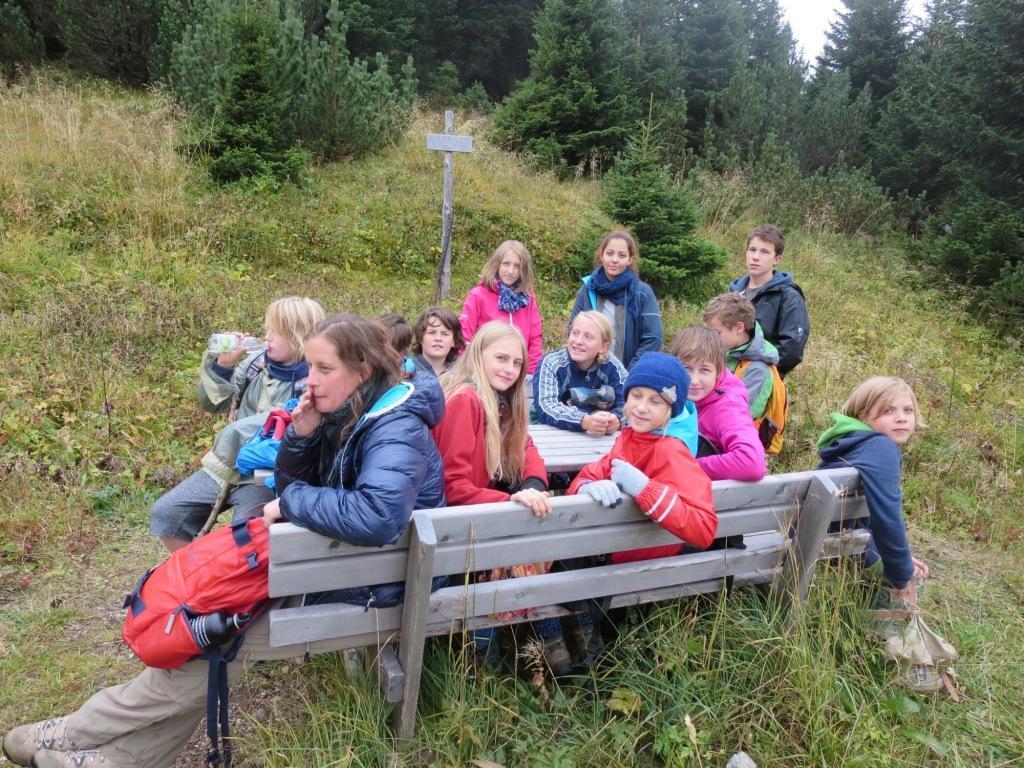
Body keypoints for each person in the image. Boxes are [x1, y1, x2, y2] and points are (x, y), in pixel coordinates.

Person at [3, 314, 446, 768]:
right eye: (310, 366)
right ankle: (114, 760)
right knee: (208, 633)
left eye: (323, 368)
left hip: (372, 590)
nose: (310, 379)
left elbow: (377, 514)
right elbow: (295, 485)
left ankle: (77, 732)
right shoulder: (351, 410)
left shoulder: (395, 425)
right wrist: (304, 435)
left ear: (362, 370)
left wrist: (293, 502)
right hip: (339, 570)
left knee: (211, 639)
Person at [150, 296, 325, 552]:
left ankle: (234, 576)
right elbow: (213, 405)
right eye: (267, 329)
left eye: (275, 332)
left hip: (267, 475)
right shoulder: (255, 365)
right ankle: (197, 572)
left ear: (298, 336)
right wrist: (223, 366)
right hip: (228, 465)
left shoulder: (314, 382)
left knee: (245, 541)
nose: (266, 337)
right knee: (166, 514)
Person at [431, 322, 558, 669]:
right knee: (536, 531)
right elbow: (452, 488)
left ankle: (530, 646)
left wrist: (534, 483)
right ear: (478, 354)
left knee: (539, 517)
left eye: (517, 363)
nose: (510, 369)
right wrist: (508, 502)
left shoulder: (497, 399)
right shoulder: (465, 400)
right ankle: (486, 657)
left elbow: (526, 445)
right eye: (501, 358)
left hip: (472, 523)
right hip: (451, 531)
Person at [569, 352, 717, 563]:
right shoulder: (631, 437)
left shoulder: (672, 451)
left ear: (671, 410)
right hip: (614, 554)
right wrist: (586, 487)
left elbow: (704, 529)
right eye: (636, 395)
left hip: (640, 566)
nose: (641, 407)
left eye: (655, 401)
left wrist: (643, 488)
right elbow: (587, 476)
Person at [816, 376, 929, 608]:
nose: (901, 417)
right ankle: (877, 622)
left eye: (908, 410)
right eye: (888, 411)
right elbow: (887, 516)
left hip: (818, 537)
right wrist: (901, 573)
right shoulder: (880, 448)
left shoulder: (853, 442)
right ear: (864, 416)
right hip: (834, 547)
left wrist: (903, 559)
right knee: (914, 578)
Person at [669, 326, 767, 483]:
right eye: (687, 368)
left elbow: (752, 463)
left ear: (719, 371)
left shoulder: (728, 406)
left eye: (704, 370)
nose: (694, 380)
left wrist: (686, 467)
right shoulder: (673, 386)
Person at [568, 230, 662, 370]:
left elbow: (653, 339)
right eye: (610, 253)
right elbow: (573, 329)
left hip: (628, 373)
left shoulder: (642, 293)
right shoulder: (588, 290)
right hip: (590, 372)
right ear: (602, 255)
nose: (614, 260)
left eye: (622, 255)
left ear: (629, 259)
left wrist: (628, 374)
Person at [728, 224, 809, 378]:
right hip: (724, 376)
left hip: (760, 380)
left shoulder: (788, 297)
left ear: (777, 259)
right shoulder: (735, 292)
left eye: (764, 252)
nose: (756, 257)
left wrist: (755, 368)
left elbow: (791, 350)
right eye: (752, 250)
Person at [533, 310, 628, 435]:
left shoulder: (612, 366)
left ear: (603, 347)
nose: (578, 341)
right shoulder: (551, 363)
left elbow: (630, 402)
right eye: (575, 333)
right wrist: (584, 421)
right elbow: (546, 407)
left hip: (601, 440)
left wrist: (617, 420)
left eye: (588, 336)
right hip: (552, 437)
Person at [459, 240, 544, 375]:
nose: (511, 271)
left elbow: (535, 339)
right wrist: (468, 369)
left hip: (517, 372)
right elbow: (463, 336)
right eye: (506, 264)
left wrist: (532, 374)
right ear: (497, 263)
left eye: (517, 266)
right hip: (483, 372)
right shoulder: (478, 295)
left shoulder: (527, 299)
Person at [702, 293, 779, 420]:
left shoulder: (757, 369)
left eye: (717, 332)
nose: (711, 338)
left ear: (739, 328)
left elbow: (741, 415)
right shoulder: (728, 352)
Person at [409, 306, 465, 377]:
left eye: (445, 334)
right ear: (420, 337)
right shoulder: (404, 370)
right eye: (431, 333)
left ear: (454, 341)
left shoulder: (461, 374)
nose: (438, 338)